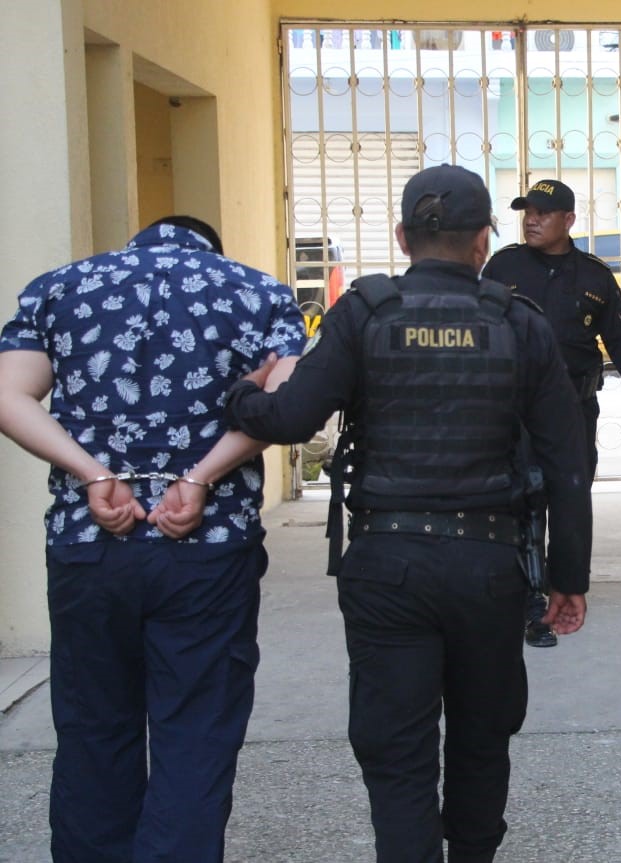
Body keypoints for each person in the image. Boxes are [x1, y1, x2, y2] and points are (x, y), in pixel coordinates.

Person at [224, 164, 593, 863]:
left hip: (387, 565)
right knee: (483, 737)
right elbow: (567, 466)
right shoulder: (519, 322)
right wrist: (568, 575)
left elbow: (291, 416)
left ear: (402, 236)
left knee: (397, 751)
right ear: (484, 240)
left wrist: (242, 395)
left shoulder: (364, 312)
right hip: (490, 565)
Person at [0, 216, 305, 862]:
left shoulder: (58, 290)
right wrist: (199, 477)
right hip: (208, 545)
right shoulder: (257, 294)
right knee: (195, 733)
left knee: (92, 730)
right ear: (211, 249)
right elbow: (289, 402)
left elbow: (9, 395)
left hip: (89, 541)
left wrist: (92, 472)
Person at [482, 178, 621, 647]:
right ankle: (528, 604)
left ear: (568, 220)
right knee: (517, 501)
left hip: (572, 409)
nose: (532, 220)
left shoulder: (594, 277)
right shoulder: (503, 267)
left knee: (569, 502)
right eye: (526, 212)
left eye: (542, 212)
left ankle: (564, 588)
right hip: (512, 411)